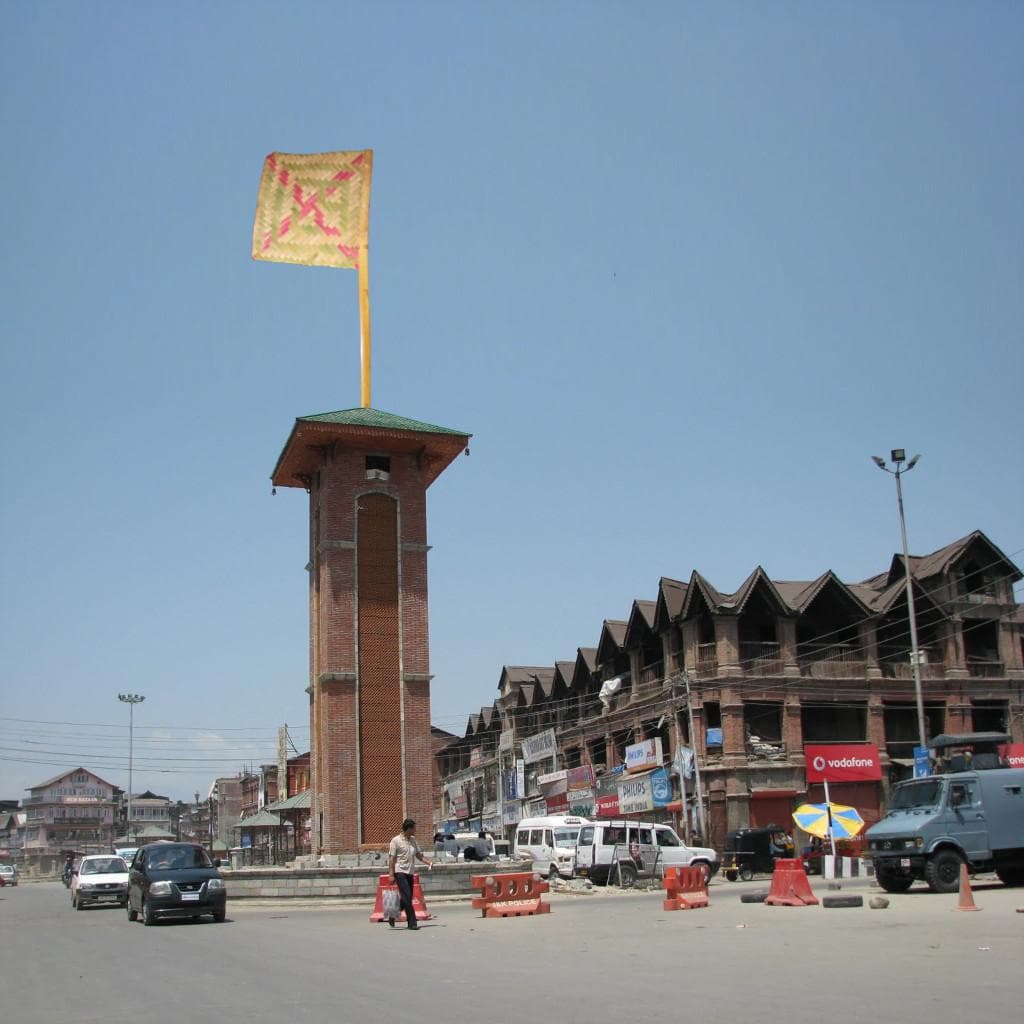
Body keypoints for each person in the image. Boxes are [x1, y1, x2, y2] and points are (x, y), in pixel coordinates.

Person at [387, 818, 432, 930]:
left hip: (410, 871)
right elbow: (392, 859)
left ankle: (392, 914)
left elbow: (418, 855)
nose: (415, 830)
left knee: (407, 897)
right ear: (408, 829)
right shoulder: (395, 840)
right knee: (407, 897)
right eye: (414, 828)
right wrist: (391, 874)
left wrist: (428, 862)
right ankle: (412, 923)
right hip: (400, 871)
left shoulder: (413, 840)